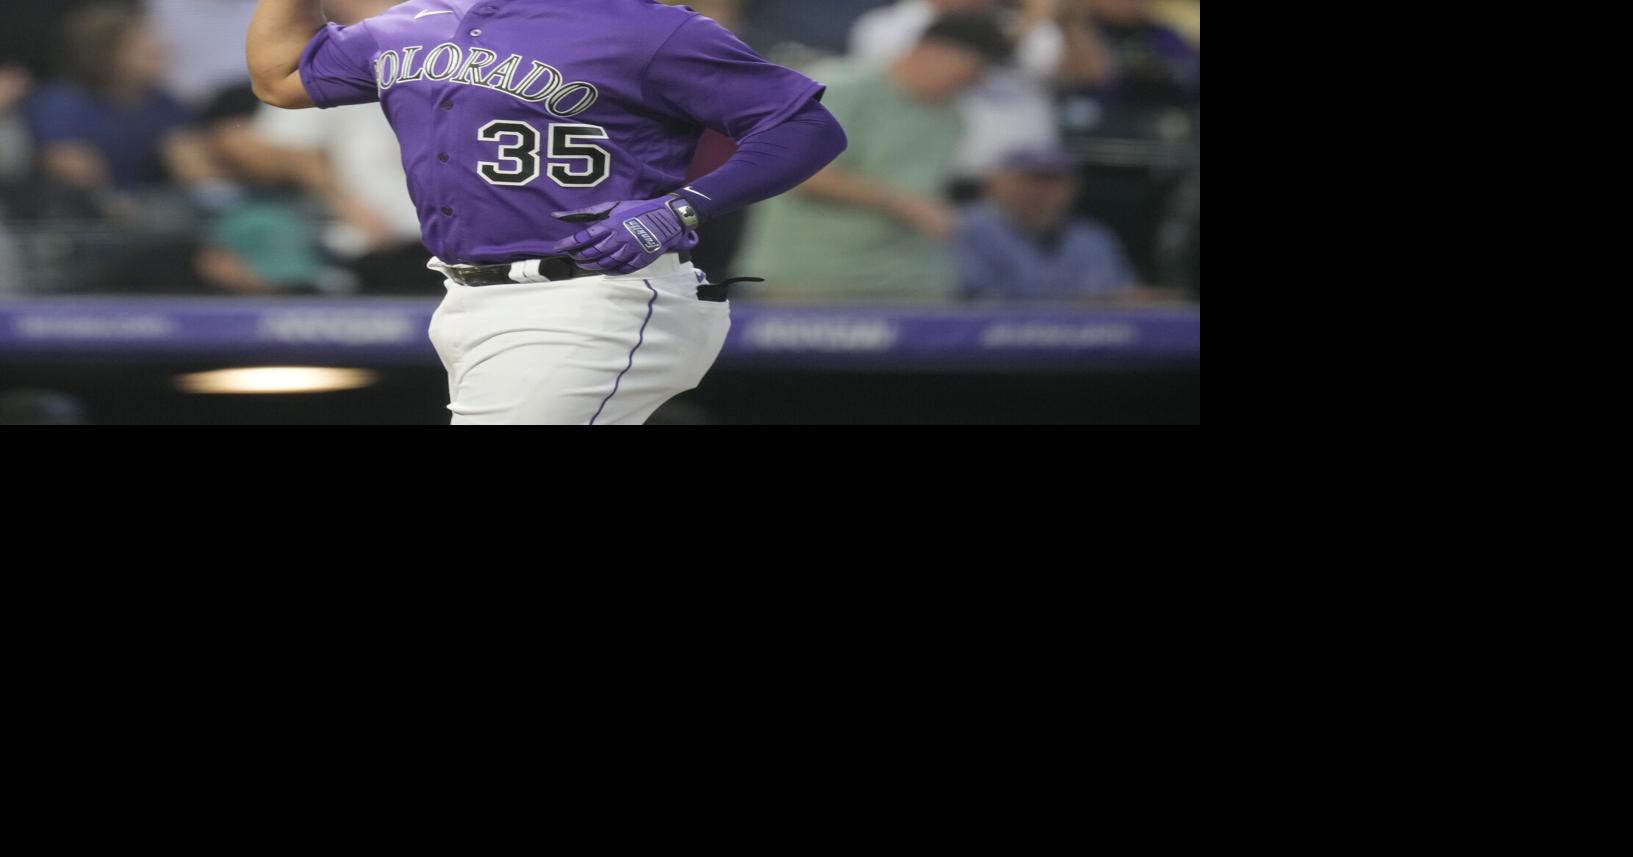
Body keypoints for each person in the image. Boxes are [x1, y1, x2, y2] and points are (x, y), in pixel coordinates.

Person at [247, 0, 847, 425]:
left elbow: (803, 125)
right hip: (465, 297)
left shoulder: (645, 28)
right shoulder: (407, 25)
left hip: (594, 298)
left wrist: (682, 209)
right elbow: (280, 77)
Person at [735, 13, 1008, 301]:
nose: (972, 85)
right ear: (931, 50)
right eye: (970, 73)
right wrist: (905, 205)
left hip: (913, 284)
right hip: (811, 281)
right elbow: (797, 171)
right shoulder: (840, 87)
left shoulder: (952, 115)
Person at [26, 2, 226, 218]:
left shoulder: (161, 101)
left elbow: (194, 166)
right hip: (83, 218)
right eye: (141, 43)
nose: (160, 47)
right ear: (106, 54)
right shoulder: (60, 104)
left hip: (154, 208)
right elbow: (76, 175)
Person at [956, 147, 1134, 301]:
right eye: (1030, 179)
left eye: (1053, 180)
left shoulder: (1092, 237)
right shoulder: (966, 226)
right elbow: (969, 295)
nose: (1041, 190)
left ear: (1074, 188)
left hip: (1081, 337)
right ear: (997, 183)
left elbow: (1118, 295)